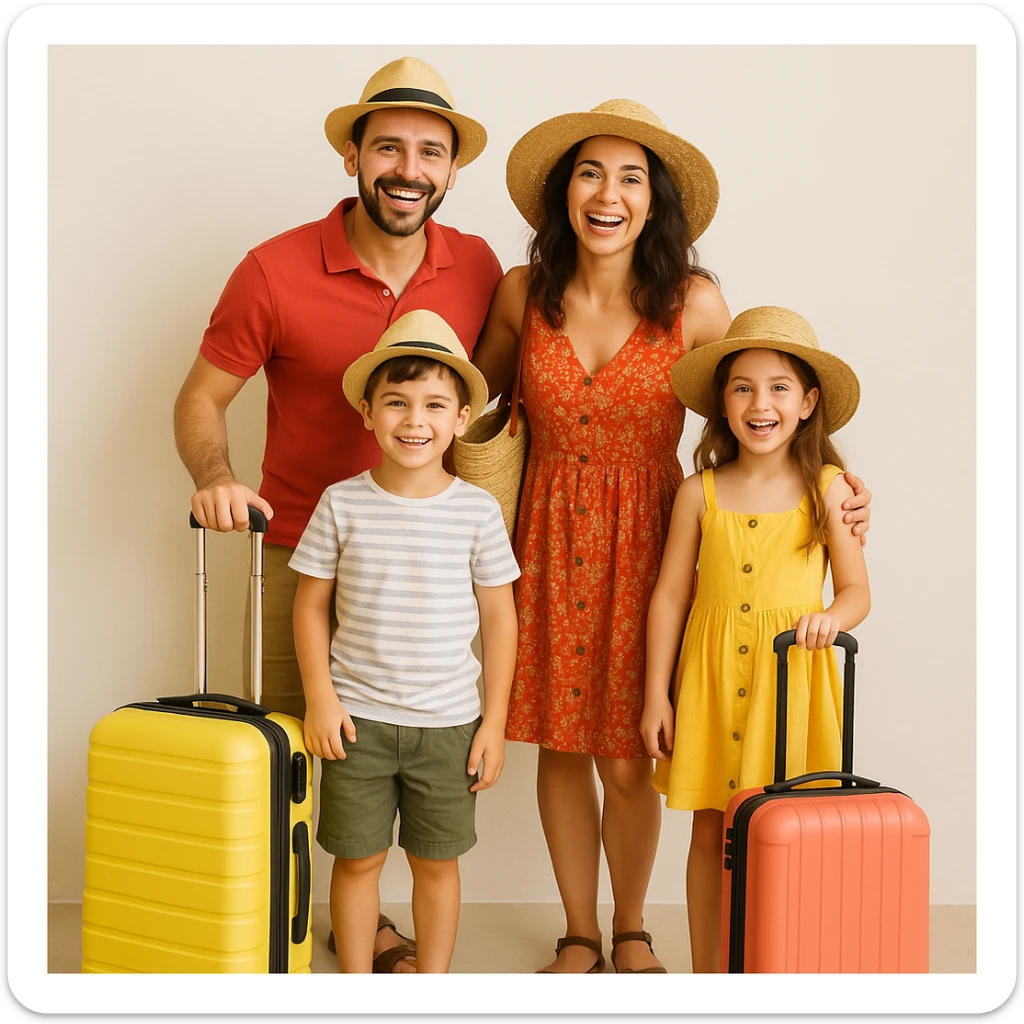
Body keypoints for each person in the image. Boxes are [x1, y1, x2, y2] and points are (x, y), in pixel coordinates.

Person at [471, 100, 874, 974]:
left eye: (630, 177)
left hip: (652, 544)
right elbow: (471, 413)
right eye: (589, 172)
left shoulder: (693, 301)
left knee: (627, 756)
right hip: (541, 540)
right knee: (561, 747)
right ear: (561, 193)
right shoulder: (518, 293)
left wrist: (835, 483)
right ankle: (579, 932)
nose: (607, 193)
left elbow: (760, 405)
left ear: (655, 202)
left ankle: (632, 927)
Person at [172, 57, 500, 968]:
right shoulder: (273, 269)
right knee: (307, 768)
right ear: (353, 154)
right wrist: (217, 473)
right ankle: (300, 943)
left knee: (424, 781)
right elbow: (200, 398)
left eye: (430, 151)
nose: (408, 167)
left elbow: (517, 380)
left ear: (452, 169)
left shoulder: (476, 265)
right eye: (387, 145)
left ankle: (387, 941)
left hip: (435, 563)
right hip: (307, 554)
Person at [641, 305, 871, 973]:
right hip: (708, 687)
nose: (759, 402)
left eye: (778, 387)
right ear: (722, 403)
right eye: (742, 386)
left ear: (808, 403)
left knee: (791, 831)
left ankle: (783, 966)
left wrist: (834, 618)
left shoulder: (829, 490)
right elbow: (670, 596)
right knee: (710, 831)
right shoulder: (699, 493)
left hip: (791, 689)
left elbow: (857, 592)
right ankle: (710, 974)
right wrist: (658, 695)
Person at [290, 309, 520, 974]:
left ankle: (433, 985)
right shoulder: (342, 504)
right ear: (367, 412)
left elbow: (500, 619)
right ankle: (359, 982)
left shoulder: (477, 510)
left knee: (436, 863)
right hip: (356, 723)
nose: (414, 421)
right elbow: (310, 605)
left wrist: (494, 723)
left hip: (449, 726)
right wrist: (320, 699)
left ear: (459, 418)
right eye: (396, 403)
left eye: (434, 406)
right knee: (357, 859)